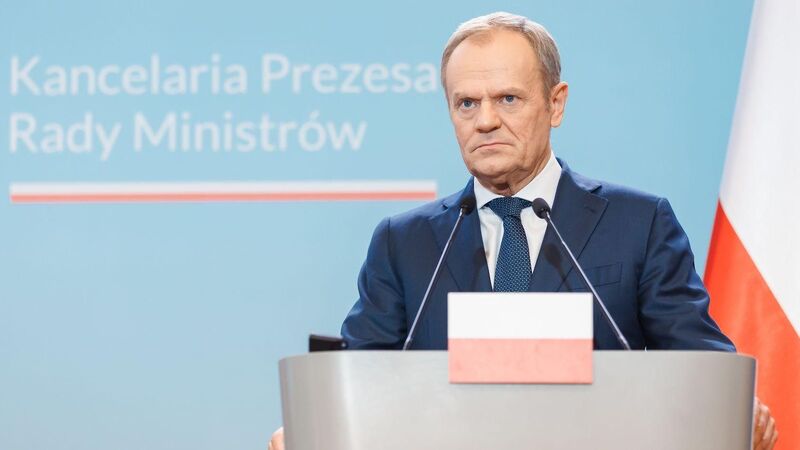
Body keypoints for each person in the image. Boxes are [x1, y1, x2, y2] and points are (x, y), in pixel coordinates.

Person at [270, 12, 777, 450]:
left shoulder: (638, 224)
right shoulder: (404, 243)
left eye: (508, 98)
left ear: (556, 104)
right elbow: (360, 379)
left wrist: (736, 411)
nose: (485, 121)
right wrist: (319, 425)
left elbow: (701, 369)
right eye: (466, 103)